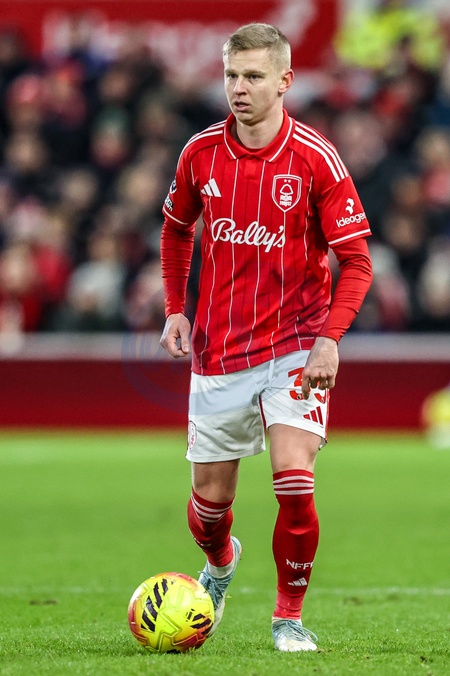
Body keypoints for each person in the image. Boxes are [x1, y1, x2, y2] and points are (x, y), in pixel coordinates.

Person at [159, 23, 373, 653]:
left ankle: (288, 618)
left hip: (296, 344)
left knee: (295, 482)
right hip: (220, 348)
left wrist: (330, 339)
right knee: (208, 506)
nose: (239, 88)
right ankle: (221, 562)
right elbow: (176, 229)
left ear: (285, 81)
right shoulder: (200, 153)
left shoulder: (315, 158)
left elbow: (356, 261)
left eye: (253, 76)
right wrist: (175, 309)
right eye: (231, 75)